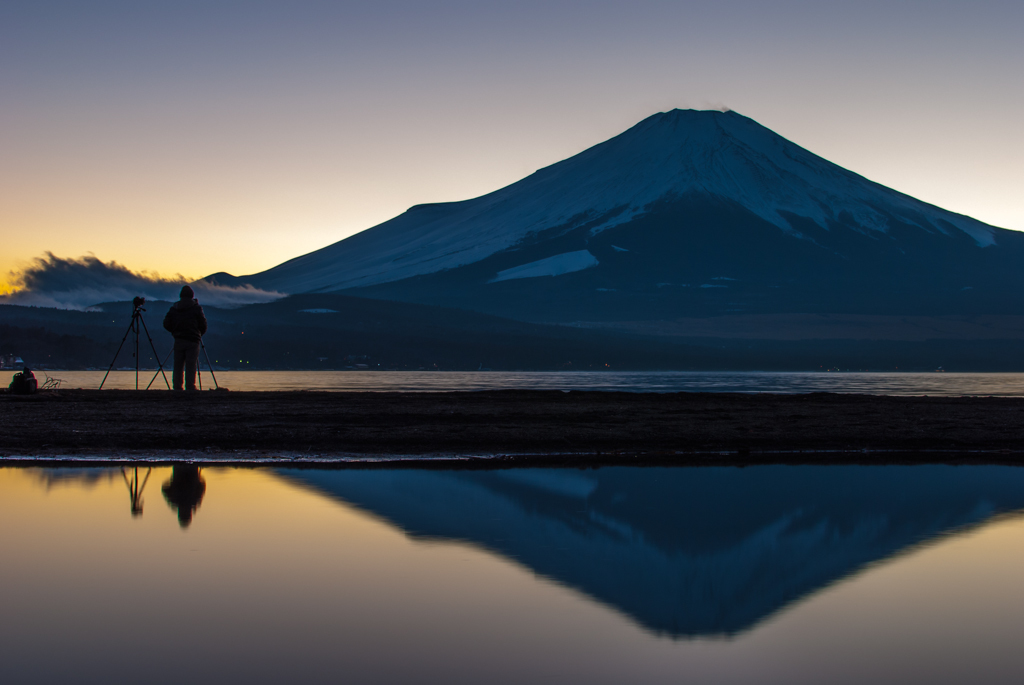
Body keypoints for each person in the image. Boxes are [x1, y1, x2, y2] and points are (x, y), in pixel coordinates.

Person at [163, 285, 208, 391]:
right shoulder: (196, 308)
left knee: (178, 365)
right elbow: (203, 324)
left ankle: (177, 386)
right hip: (193, 340)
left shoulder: (174, 308)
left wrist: (174, 331)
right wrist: (199, 334)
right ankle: (190, 386)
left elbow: (166, 323)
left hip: (179, 339)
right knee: (191, 364)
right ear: (192, 295)